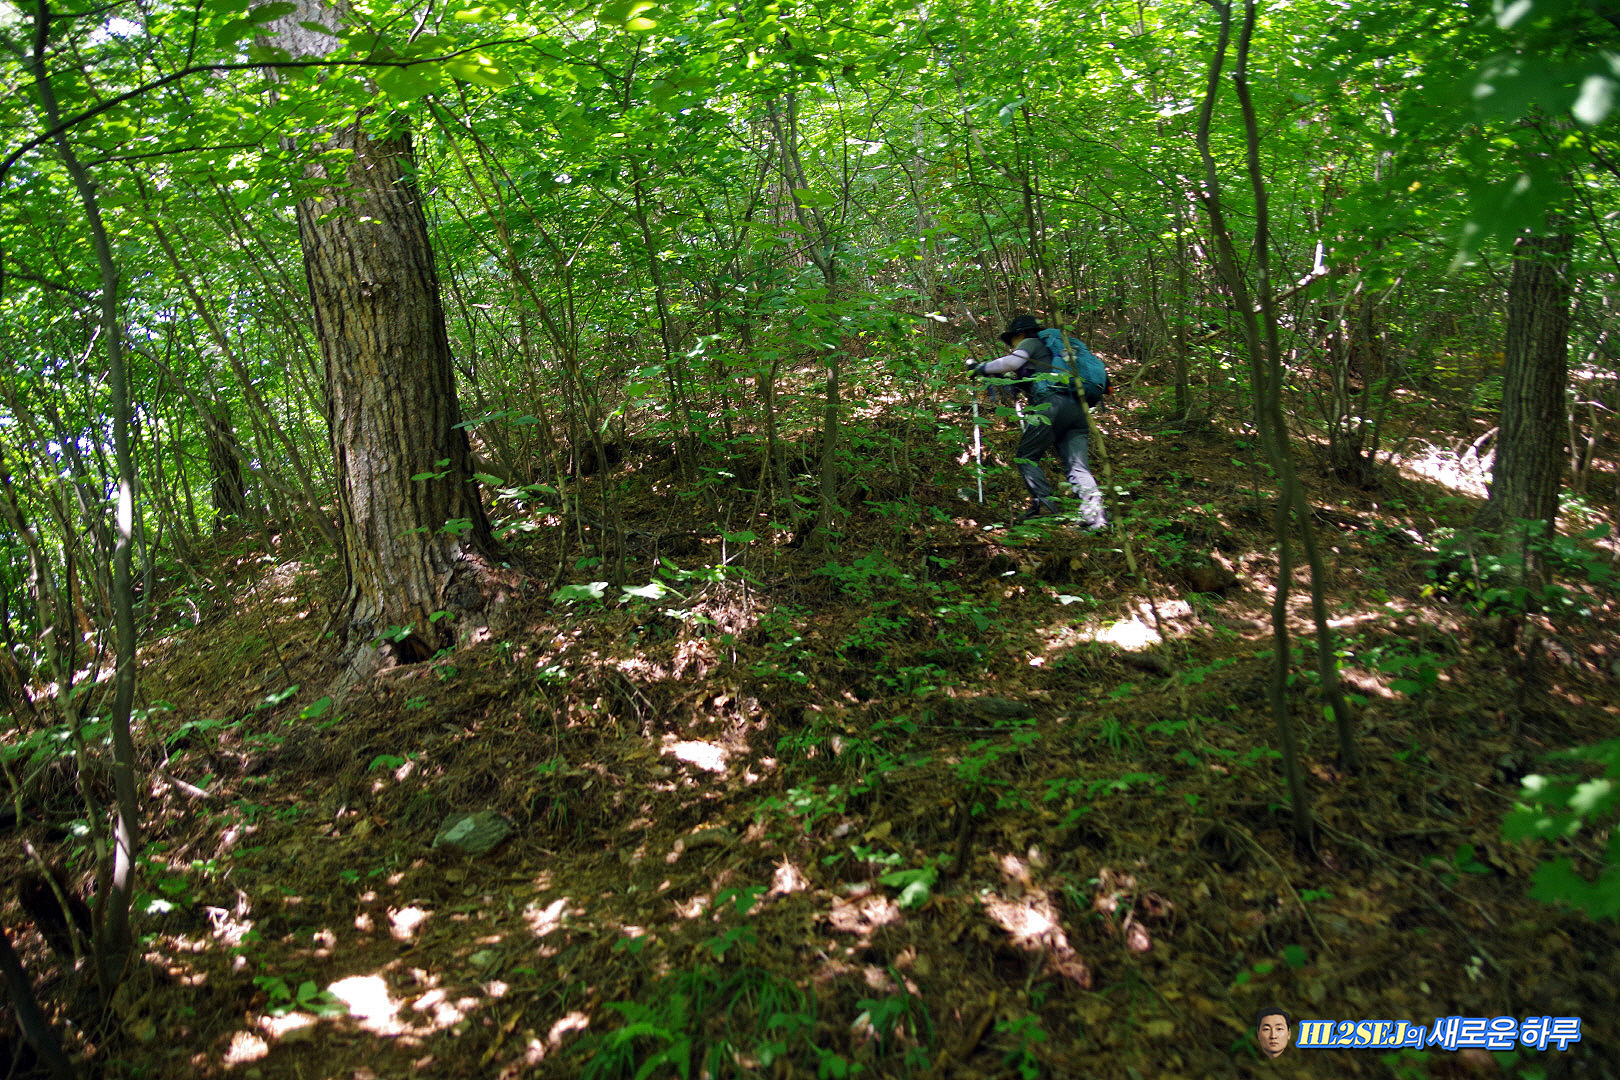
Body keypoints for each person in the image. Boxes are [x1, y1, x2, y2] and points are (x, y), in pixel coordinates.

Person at [968, 315, 1108, 529]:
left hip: (1053, 405)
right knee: (1077, 466)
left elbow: (1011, 362)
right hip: (1078, 409)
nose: (1012, 346)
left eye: (1012, 341)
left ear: (1020, 334)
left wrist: (981, 367)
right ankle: (1096, 518)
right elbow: (1030, 377)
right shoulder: (1051, 355)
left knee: (1026, 456)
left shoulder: (1031, 342)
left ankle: (1044, 506)